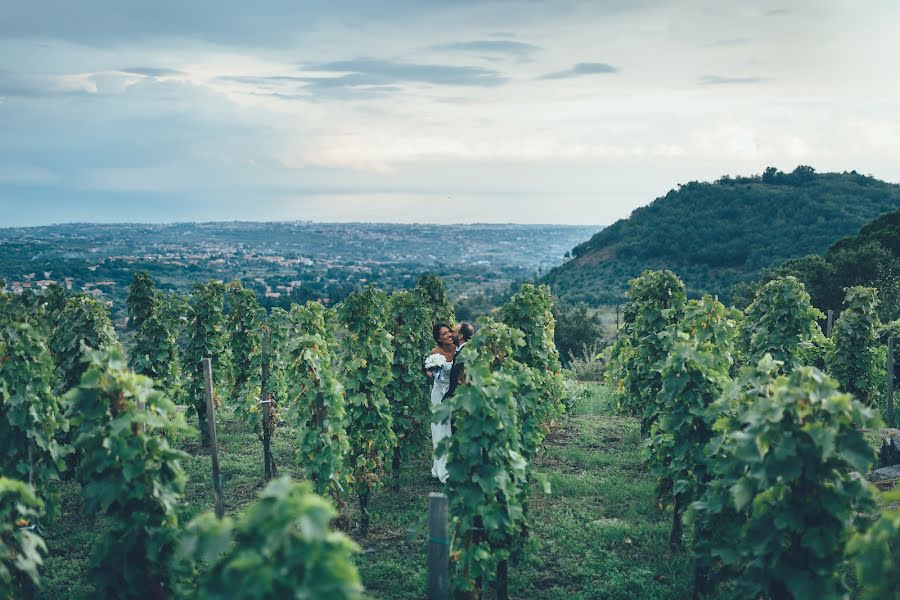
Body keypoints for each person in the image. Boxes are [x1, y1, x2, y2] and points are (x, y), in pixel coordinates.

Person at [426, 323, 456, 483]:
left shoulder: (458, 349)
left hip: (454, 393)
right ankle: (443, 470)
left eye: (450, 332)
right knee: (441, 429)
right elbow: (429, 371)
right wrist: (431, 374)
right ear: (438, 338)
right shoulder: (435, 353)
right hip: (440, 394)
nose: (450, 335)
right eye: (445, 334)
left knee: (453, 428)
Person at [444, 322, 474, 402]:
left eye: (454, 332)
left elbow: (456, 380)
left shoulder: (463, 354)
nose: (451, 334)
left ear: (460, 336)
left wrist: (446, 400)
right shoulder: (467, 351)